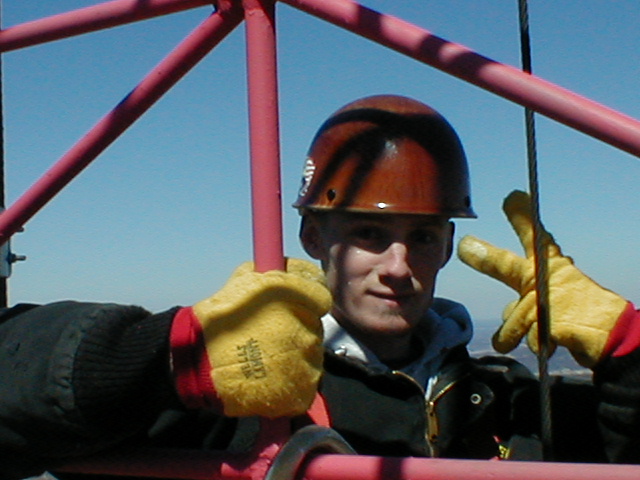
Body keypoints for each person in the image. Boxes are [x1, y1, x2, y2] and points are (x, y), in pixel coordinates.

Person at [1, 95, 639, 479]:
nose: (398, 265)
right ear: (312, 238)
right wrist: (171, 357)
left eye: (422, 236)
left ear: (449, 246)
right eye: (368, 233)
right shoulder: (247, 396)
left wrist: (628, 350)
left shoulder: (503, 402)